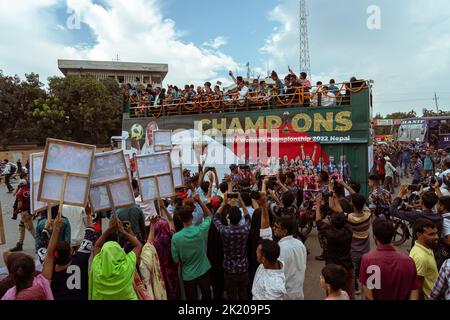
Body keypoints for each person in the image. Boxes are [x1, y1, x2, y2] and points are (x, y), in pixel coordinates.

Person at [39, 204, 95, 300]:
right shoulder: (80, 260)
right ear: (71, 251)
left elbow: (43, 249)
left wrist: (49, 229)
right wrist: (89, 215)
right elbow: (89, 235)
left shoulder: (49, 267)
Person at [1, 214, 62, 300]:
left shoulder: (10, 294)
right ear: (34, 271)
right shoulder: (41, 282)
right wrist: (56, 229)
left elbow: (5, 254)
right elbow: (49, 254)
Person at [259, 192, 307, 300]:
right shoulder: (300, 244)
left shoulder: (280, 249)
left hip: (285, 293)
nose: (274, 229)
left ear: (284, 231)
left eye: (276, 227)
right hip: (297, 291)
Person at [359, 218, 419, 300]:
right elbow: (414, 293)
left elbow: (368, 295)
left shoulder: (367, 260)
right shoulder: (409, 261)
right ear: (392, 235)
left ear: (374, 237)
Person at [89, 217, 142, 300]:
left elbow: (97, 246)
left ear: (103, 253)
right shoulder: (126, 265)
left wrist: (110, 228)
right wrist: (123, 231)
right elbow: (138, 245)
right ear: (120, 252)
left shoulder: (97, 266)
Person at [171, 195, 213, 300]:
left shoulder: (176, 238)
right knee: (207, 296)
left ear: (180, 219)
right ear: (192, 217)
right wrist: (200, 202)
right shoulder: (200, 230)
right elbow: (209, 216)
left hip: (188, 274)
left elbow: (176, 260)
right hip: (203, 270)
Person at [315, 193, 354, 298]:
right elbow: (343, 216)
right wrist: (336, 201)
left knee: (332, 293)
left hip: (332, 266)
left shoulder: (329, 233)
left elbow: (318, 222)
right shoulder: (349, 230)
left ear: (332, 223)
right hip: (347, 264)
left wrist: (318, 204)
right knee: (349, 292)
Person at [214, 193, 251, 300]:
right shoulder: (245, 229)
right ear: (240, 218)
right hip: (243, 268)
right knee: (243, 295)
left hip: (229, 270)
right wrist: (241, 202)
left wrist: (224, 203)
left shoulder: (225, 231)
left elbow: (215, 218)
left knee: (231, 296)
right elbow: (248, 217)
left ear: (228, 217)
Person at [151, 200, 180, 300]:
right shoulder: (172, 236)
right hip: (174, 268)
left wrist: (152, 225)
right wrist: (163, 208)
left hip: (163, 272)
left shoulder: (154, 243)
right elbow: (171, 221)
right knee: (176, 287)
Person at [409, 218, 440, 300]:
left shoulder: (427, 247)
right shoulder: (420, 257)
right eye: (431, 234)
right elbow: (417, 287)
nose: (436, 237)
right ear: (419, 235)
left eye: (436, 233)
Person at [139, 216, 168, 300]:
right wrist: (152, 224)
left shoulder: (143, 260)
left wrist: (152, 225)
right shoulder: (171, 236)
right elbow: (149, 243)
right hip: (164, 277)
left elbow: (149, 244)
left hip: (151, 290)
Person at [9, 180, 34, 252]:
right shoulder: (30, 190)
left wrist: (16, 211)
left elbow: (20, 205)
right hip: (30, 211)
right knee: (21, 227)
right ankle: (20, 244)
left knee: (31, 229)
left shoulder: (20, 193)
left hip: (24, 213)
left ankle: (40, 244)